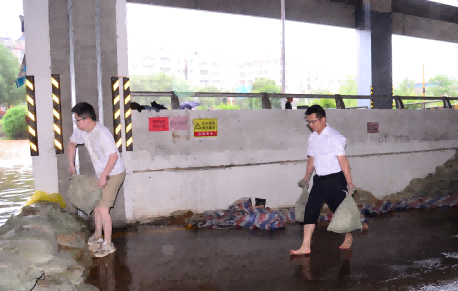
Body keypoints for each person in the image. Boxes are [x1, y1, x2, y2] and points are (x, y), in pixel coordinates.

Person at [290, 104, 355, 256]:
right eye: (309, 122)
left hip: (336, 180)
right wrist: (306, 178)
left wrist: (349, 182)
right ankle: (305, 246)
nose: (311, 125)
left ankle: (348, 235)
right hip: (319, 180)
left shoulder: (335, 137)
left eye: (313, 122)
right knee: (310, 211)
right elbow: (312, 160)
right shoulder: (312, 138)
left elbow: (343, 161)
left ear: (323, 119)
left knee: (341, 211)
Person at [67, 102, 126, 258]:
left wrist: (104, 175)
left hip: (114, 173)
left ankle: (108, 244)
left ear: (87, 119)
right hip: (103, 172)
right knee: (96, 205)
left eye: (77, 120)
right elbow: (72, 145)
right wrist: (71, 165)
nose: (76, 123)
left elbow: (114, 157)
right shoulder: (82, 130)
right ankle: (98, 235)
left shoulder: (102, 133)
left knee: (103, 209)